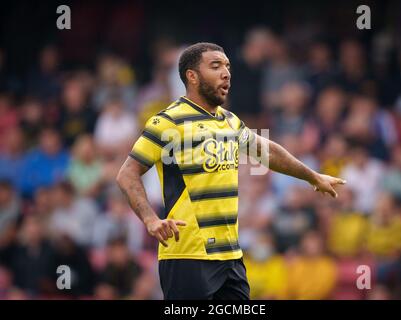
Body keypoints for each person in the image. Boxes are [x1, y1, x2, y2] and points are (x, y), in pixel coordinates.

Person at [116, 42, 346, 300]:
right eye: (216, 66)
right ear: (192, 76)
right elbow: (127, 174)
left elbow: (267, 152)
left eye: (227, 66)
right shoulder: (168, 122)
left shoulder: (229, 121)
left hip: (230, 257)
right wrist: (150, 220)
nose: (226, 72)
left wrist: (313, 177)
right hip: (189, 255)